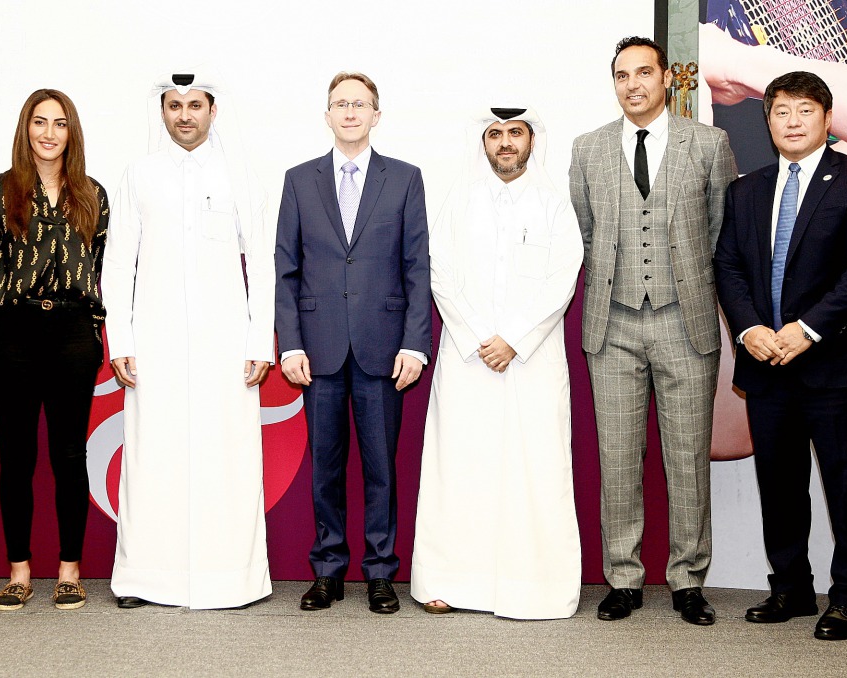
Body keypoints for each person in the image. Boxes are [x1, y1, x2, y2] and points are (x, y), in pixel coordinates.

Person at [714, 71, 847, 641]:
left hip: (833, 363)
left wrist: (807, 329)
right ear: (766, 121)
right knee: (780, 484)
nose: (791, 121)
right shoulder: (746, 188)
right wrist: (749, 330)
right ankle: (789, 587)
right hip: (766, 363)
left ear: (824, 117)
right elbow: (729, 266)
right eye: (781, 111)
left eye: (804, 111)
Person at [569, 36, 737, 625]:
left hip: (685, 322)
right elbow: (586, 234)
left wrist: (686, 283)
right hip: (611, 324)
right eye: (621, 75)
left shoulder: (709, 145)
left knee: (687, 457)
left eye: (644, 72)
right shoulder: (587, 149)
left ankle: (688, 580)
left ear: (667, 78)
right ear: (613, 83)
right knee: (617, 457)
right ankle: (623, 577)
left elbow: (720, 230)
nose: (633, 83)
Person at [101, 72, 273, 610]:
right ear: (163, 112)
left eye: (194, 105)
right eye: (174, 105)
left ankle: (232, 579)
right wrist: (122, 337)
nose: (184, 115)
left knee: (228, 456)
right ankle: (144, 578)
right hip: (155, 343)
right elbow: (118, 261)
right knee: (153, 454)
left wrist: (259, 341)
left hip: (226, 345)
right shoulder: (140, 174)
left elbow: (263, 262)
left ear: (212, 111)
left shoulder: (239, 174)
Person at [411, 107, 582, 619]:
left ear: (531, 140)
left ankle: (534, 587)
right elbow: (438, 272)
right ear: (482, 143)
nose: (505, 143)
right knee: (459, 468)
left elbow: (563, 277)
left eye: (515, 133)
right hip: (467, 360)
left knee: (535, 471)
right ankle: (448, 581)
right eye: (495, 134)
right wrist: (476, 337)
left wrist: (514, 340)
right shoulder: (459, 200)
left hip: (531, 360)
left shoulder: (554, 203)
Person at [275, 71, 431, 614]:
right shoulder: (299, 180)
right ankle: (327, 569)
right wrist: (289, 344)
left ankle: (381, 572)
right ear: (327, 114)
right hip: (316, 351)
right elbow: (286, 270)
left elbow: (417, 268)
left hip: (383, 348)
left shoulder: (405, 178)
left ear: (375, 115)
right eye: (339, 104)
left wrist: (415, 344)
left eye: (359, 104)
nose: (349, 113)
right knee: (325, 466)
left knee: (381, 467)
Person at [0, 89, 109, 611]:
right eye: (39, 122)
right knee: (17, 459)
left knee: (71, 457)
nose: (48, 133)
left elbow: (102, 273)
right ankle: (20, 572)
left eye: (59, 123)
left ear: (71, 133)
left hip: (73, 337)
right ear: (25, 129)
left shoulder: (93, 195)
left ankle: (69, 571)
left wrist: (92, 330)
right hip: (14, 336)